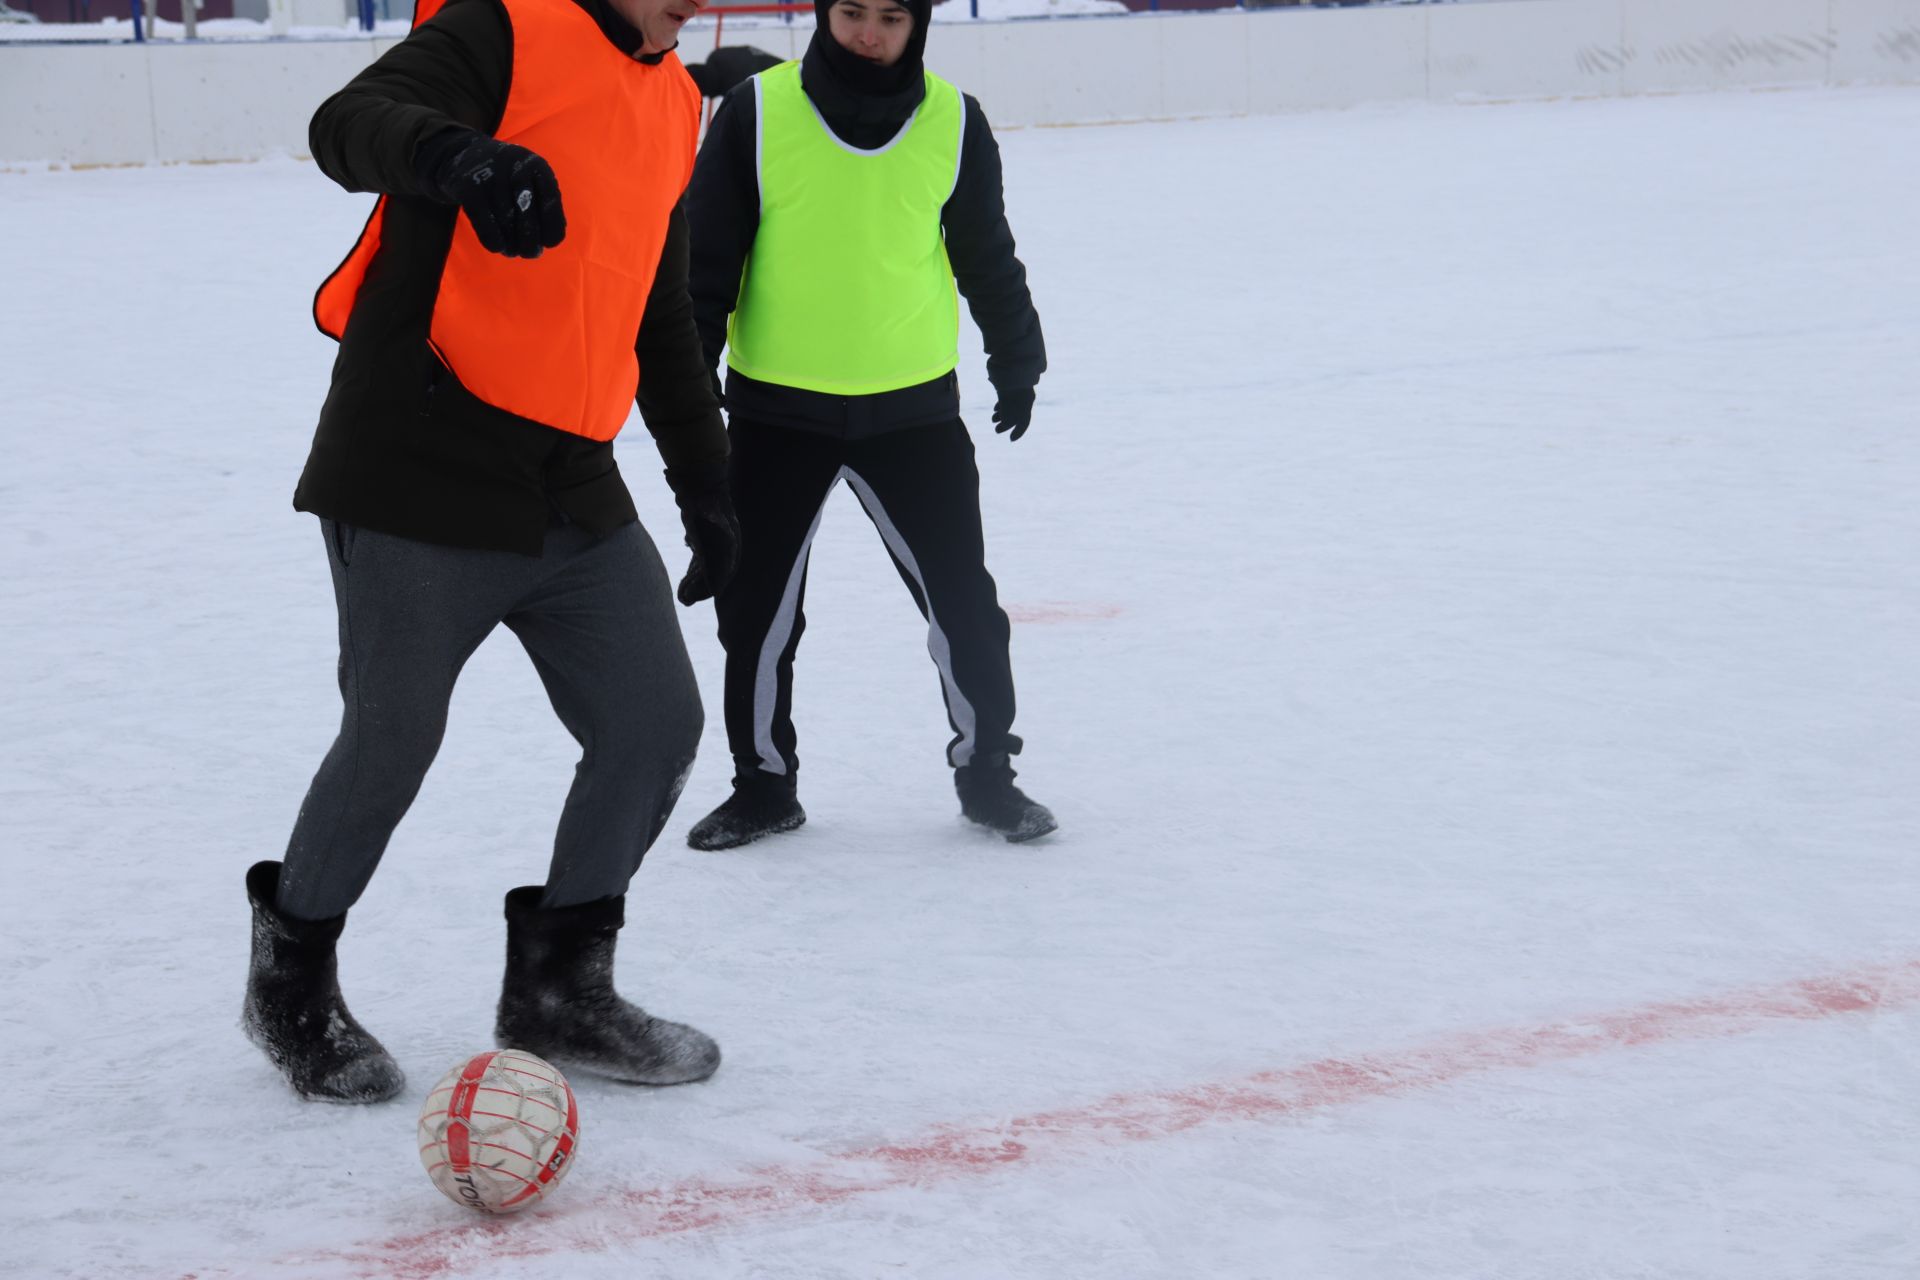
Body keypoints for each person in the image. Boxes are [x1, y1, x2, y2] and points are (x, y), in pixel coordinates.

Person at [242, 0, 739, 1103]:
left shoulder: (674, 99)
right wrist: (460, 157)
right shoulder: (508, 28)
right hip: (423, 455)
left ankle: (560, 988)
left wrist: (707, 483)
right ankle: (291, 983)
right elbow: (347, 120)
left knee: (652, 723)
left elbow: (655, 302)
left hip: (572, 479)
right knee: (392, 740)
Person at [681, 0, 1055, 851]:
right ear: (825, 12)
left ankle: (988, 773)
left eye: (891, 17)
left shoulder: (955, 120)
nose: (869, 34)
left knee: (964, 605)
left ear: (915, 25)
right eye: (851, 11)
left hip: (912, 414)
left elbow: (985, 250)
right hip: (778, 415)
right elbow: (705, 264)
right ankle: (764, 784)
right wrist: (690, 388)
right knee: (757, 613)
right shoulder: (758, 111)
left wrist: (1017, 355)